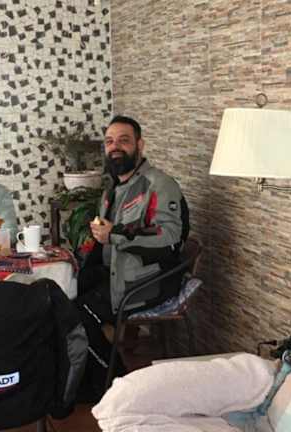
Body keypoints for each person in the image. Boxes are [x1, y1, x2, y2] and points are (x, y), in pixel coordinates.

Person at [75, 115, 190, 400]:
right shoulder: (112, 188)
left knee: (78, 314)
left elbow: (169, 237)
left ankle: (117, 386)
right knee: (60, 295)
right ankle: (82, 378)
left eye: (123, 140)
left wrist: (115, 234)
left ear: (140, 145)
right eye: (109, 141)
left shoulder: (158, 184)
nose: (115, 147)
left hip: (147, 280)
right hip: (115, 273)